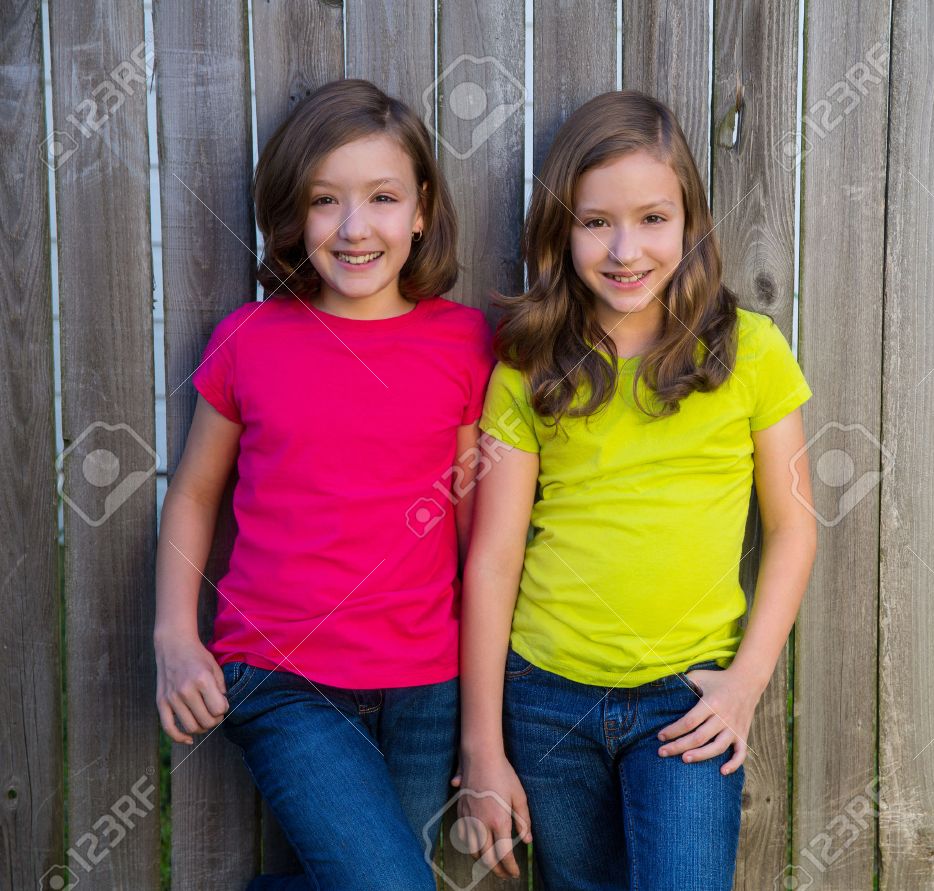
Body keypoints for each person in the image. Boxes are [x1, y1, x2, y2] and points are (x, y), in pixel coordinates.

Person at [456, 90, 818, 890]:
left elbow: (794, 528)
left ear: (689, 223)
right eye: (596, 222)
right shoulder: (529, 366)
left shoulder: (751, 353)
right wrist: (482, 747)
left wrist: (746, 682)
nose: (626, 249)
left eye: (653, 218)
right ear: (562, 230)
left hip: (687, 700)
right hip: (547, 696)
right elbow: (493, 556)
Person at [152, 79, 495, 889]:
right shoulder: (249, 340)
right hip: (282, 679)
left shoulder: (465, 342)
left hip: (426, 685)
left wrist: (491, 706)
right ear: (293, 215)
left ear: (421, 211)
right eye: (324, 200)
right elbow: (195, 494)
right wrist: (174, 635)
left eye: (382, 197)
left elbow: (476, 527)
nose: (353, 228)